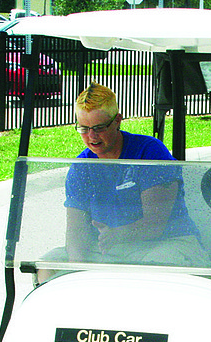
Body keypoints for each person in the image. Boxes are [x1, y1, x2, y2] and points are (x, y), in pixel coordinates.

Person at [47, 82, 201, 275]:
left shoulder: (150, 152)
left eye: (99, 127)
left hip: (168, 243)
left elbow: (155, 225)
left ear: (118, 120)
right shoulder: (82, 166)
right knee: (48, 265)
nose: (91, 136)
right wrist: (77, 269)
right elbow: (76, 231)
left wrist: (118, 235)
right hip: (110, 247)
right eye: (84, 129)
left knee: (150, 273)